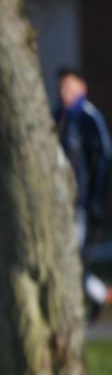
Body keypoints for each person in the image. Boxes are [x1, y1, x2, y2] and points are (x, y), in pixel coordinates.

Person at [54, 66, 112, 319]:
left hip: (79, 200)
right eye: (61, 88)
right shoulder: (58, 117)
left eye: (69, 87)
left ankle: (99, 295)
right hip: (57, 201)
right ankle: (99, 294)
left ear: (82, 88)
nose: (64, 93)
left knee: (69, 256)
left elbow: (104, 156)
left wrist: (97, 197)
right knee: (63, 255)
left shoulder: (88, 117)